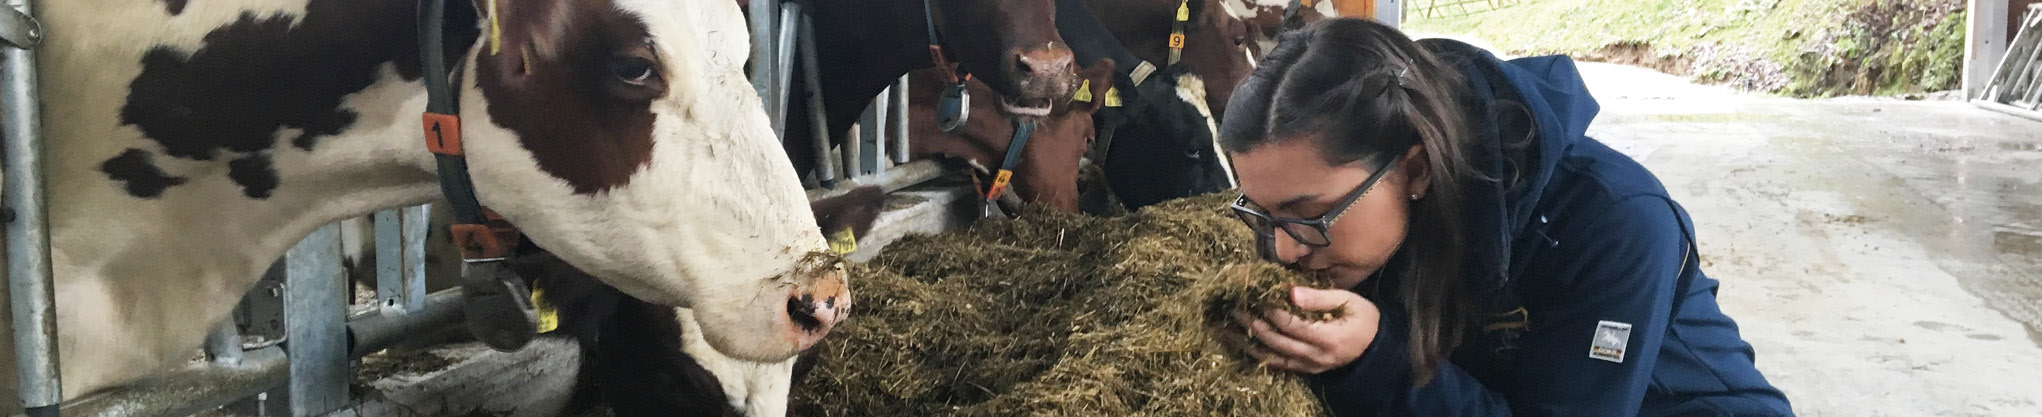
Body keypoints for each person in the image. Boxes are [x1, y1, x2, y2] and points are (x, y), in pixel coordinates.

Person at [1216, 17, 1794, 416]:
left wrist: (1378, 357)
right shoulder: (1361, 214)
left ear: (1415, 170)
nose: (1285, 251)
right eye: (1262, 214)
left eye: (1309, 215)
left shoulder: (1616, 223)